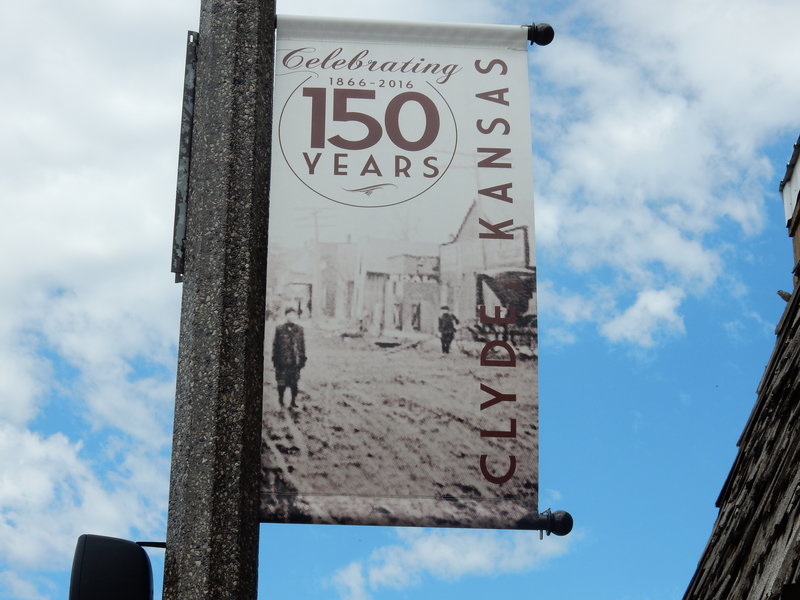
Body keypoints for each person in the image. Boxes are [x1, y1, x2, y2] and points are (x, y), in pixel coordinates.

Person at [272, 308, 306, 408]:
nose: (291, 317)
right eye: (289, 315)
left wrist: (302, 360)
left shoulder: (299, 329)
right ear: (286, 316)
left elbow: (302, 346)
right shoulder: (279, 329)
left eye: (293, 315)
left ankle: (293, 401)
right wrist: (275, 360)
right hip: (282, 361)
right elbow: (275, 346)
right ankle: (281, 400)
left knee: (294, 383)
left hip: (295, 362)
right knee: (281, 383)